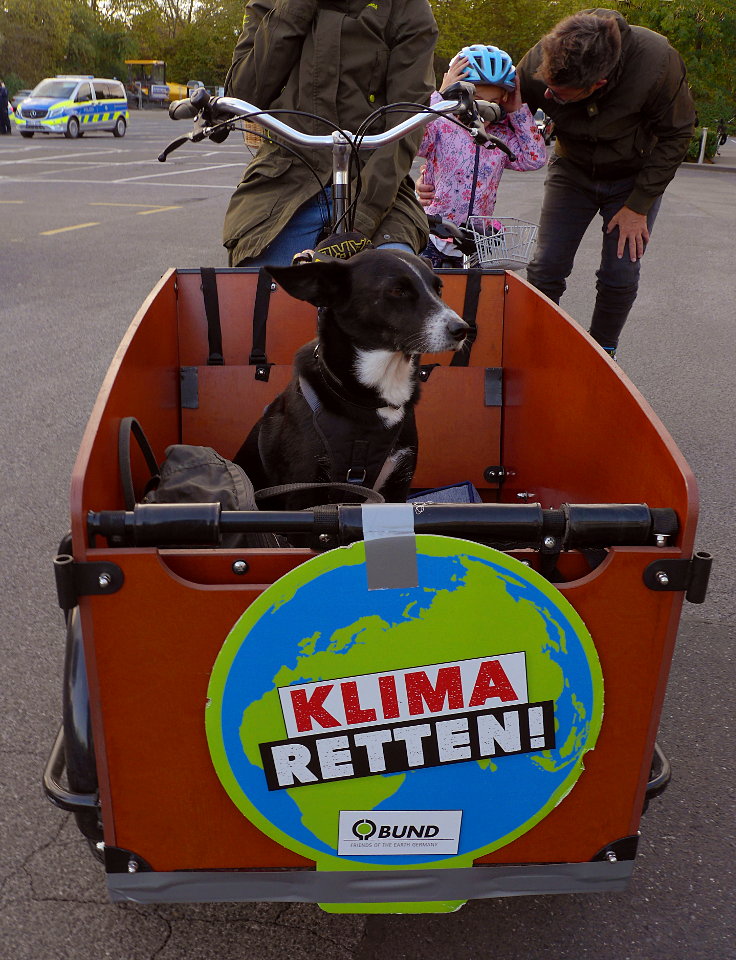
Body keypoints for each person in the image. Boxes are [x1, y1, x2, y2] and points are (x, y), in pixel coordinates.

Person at [516, 8, 696, 356]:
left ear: (597, 85)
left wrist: (638, 205)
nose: (548, 98)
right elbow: (502, 104)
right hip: (572, 169)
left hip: (633, 177)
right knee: (546, 266)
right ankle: (535, 344)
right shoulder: (544, 56)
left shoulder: (657, 62)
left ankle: (603, 352)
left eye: (560, 94)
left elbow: (677, 134)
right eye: (548, 89)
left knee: (620, 273)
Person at [222, 0, 439, 268]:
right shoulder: (268, 3)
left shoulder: (407, 7)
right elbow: (244, 94)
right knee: (263, 293)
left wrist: (362, 219)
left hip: (378, 190)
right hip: (281, 183)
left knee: (392, 288)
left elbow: (408, 113)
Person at [416, 44, 546, 268]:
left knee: (476, 298)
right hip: (432, 236)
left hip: (476, 241)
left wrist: (517, 109)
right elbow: (417, 141)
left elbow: (534, 158)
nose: (482, 112)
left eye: (493, 104)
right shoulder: (442, 126)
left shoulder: (498, 136)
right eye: (475, 101)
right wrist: (439, 98)